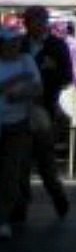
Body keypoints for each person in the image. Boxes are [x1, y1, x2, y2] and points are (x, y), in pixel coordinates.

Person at [18, 5, 71, 219]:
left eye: (42, 21)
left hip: (45, 109)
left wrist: (49, 75)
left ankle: (57, 194)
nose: (39, 25)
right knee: (20, 160)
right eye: (34, 21)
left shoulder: (57, 46)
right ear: (26, 23)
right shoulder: (18, 44)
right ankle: (20, 204)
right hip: (20, 109)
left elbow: (67, 76)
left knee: (45, 159)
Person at [0, 25, 41, 241]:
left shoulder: (27, 61)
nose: (14, 46)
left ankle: (3, 219)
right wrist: (16, 80)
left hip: (18, 124)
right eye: (10, 42)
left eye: (17, 42)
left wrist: (21, 94)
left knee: (11, 173)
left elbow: (38, 88)